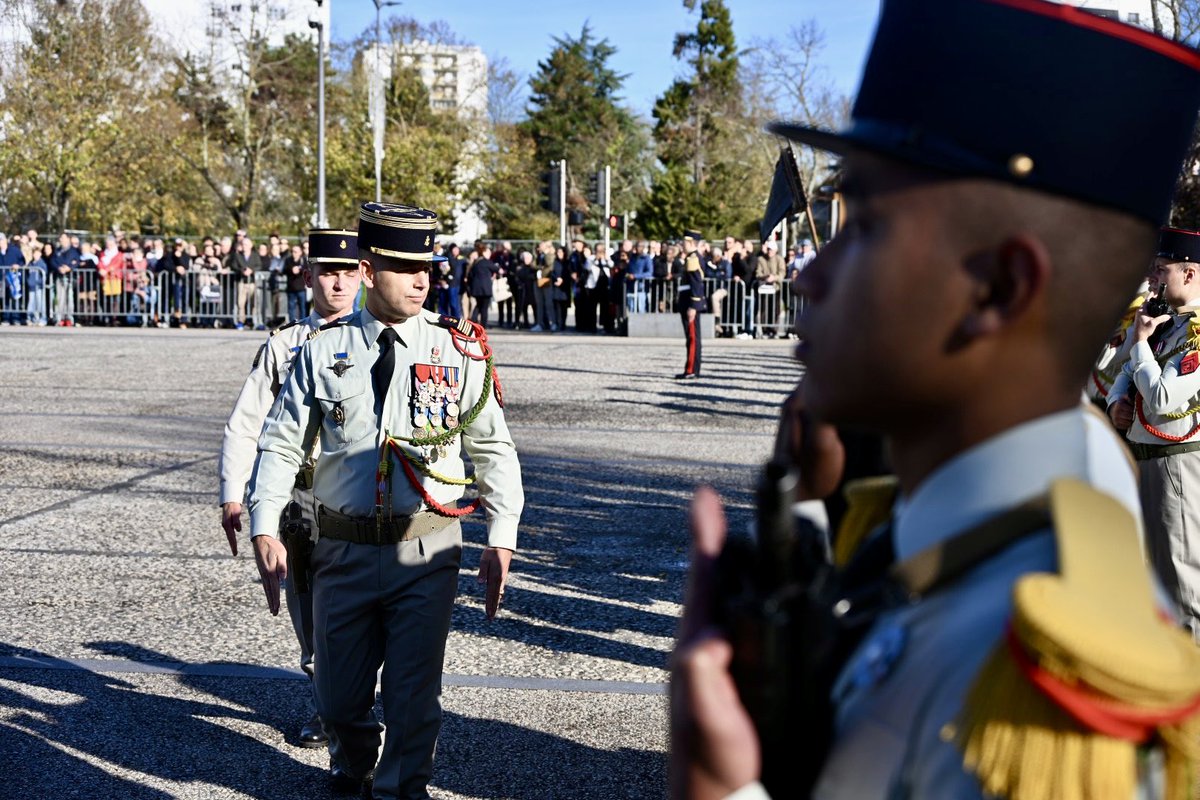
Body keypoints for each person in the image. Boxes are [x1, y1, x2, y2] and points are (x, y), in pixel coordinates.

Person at [670, 1, 1200, 798]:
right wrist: (813, 512)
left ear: (997, 288)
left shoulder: (1037, 698)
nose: (812, 273)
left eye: (869, 227)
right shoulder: (935, 547)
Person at [248, 203, 523, 799]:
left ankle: (403, 786)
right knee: (339, 697)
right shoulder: (322, 350)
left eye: (427, 266)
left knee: (413, 693)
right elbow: (278, 442)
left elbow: (494, 449)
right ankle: (353, 764)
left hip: (426, 550)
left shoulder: (458, 350)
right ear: (369, 271)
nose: (422, 280)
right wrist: (264, 526)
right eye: (404, 267)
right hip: (340, 550)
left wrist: (502, 537)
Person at [219, 229, 361, 749]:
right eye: (328, 272)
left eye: (349, 272)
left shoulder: (380, 338)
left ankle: (365, 701)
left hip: (363, 490)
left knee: (371, 604)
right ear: (308, 278)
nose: (339, 282)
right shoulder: (284, 345)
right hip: (301, 496)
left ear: (365, 276)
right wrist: (234, 495)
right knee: (309, 606)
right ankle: (329, 709)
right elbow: (245, 423)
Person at [1109, 227, 1200, 640]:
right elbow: (1124, 371)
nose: (1156, 279)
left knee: (1182, 583)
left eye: (1163, 270)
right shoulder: (1165, 324)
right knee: (1155, 581)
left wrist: (1142, 342)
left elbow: (1163, 398)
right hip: (1148, 461)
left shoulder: (1195, 333)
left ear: (1190, 274)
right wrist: (1116, 403)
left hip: (1176, 467)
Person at [676, 231, 706, 380]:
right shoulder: (690, 258)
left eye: (684, 243)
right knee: (690, 337)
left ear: (691, 243)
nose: (682, 245)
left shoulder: (693, 259)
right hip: (686, 300)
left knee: (693, 338)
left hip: (690, 301)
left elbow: (696, 284)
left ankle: (692, 369)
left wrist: (693, 305)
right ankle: (691, 368)